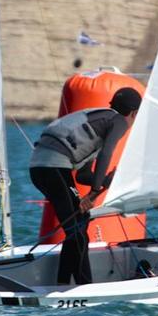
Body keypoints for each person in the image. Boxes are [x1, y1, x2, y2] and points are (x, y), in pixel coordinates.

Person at [29, 86, 142, 285]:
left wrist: (106, 180)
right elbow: (107, 153)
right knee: (78, 232)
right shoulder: (118, 121)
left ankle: (63, 284)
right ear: (134, 113)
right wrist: (95, 192)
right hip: (53, 167)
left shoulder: (99, 122)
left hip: (41, 169)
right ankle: (84, 286)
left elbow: (83, 175)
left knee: (77, 228)